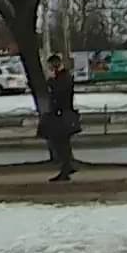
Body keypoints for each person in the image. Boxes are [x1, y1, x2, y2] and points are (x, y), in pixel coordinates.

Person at [38, 54, 79, 183]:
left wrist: (51, 82)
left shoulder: (63, 77)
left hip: (62, 114)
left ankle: (66, 168)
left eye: (51, 66)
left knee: (60, 142)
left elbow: (60, 93)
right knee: (61, 142)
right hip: (60, 114)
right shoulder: (61, 77)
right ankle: (66, 167)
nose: (50, 68)